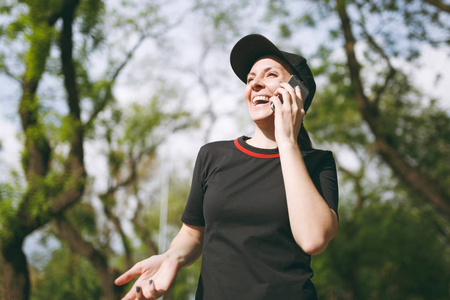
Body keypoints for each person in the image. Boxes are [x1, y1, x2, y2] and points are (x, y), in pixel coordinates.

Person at [115, 33, 339, 300]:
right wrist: (171, 257)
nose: (255, 84)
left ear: (297, 92)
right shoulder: (213, 155)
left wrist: (287, 141)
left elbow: (313, 239)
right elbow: (192, 233)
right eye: (250, 79)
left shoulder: (317, 163)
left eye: (270, 75)